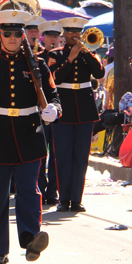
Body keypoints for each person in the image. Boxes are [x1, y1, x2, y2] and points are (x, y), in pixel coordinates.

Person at [0, 9, 60, 264]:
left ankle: (31, 238)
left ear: (23, 36)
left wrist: (54, 109)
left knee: (30, 192)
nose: (12, 38)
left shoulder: (38, 64)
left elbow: (52, 95)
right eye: (7, 33)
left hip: (29, 136)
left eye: (17, 34)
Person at [48, 17, 105, 213]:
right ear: (64, 34)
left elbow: (98, 73)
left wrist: (86, 53)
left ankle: (76, 199)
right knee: (63, 156)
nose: (75, 37)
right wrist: (70, 58)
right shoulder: (55, 54)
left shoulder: (89, 53)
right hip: (63, 108)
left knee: (81, 156)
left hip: (85, 110)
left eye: (78, 33)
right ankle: (63, 199)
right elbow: (53, 78)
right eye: (71, 33)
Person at [37, 19, 64, 206]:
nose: (53, 39)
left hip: (57, 108)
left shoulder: (64, 56)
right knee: (40, 152)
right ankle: (39, 188)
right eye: (50, 36)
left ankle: (53, 191)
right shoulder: (37, 59)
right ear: (43, 38)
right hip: (40, 111)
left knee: (56, 153)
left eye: (56, 36)